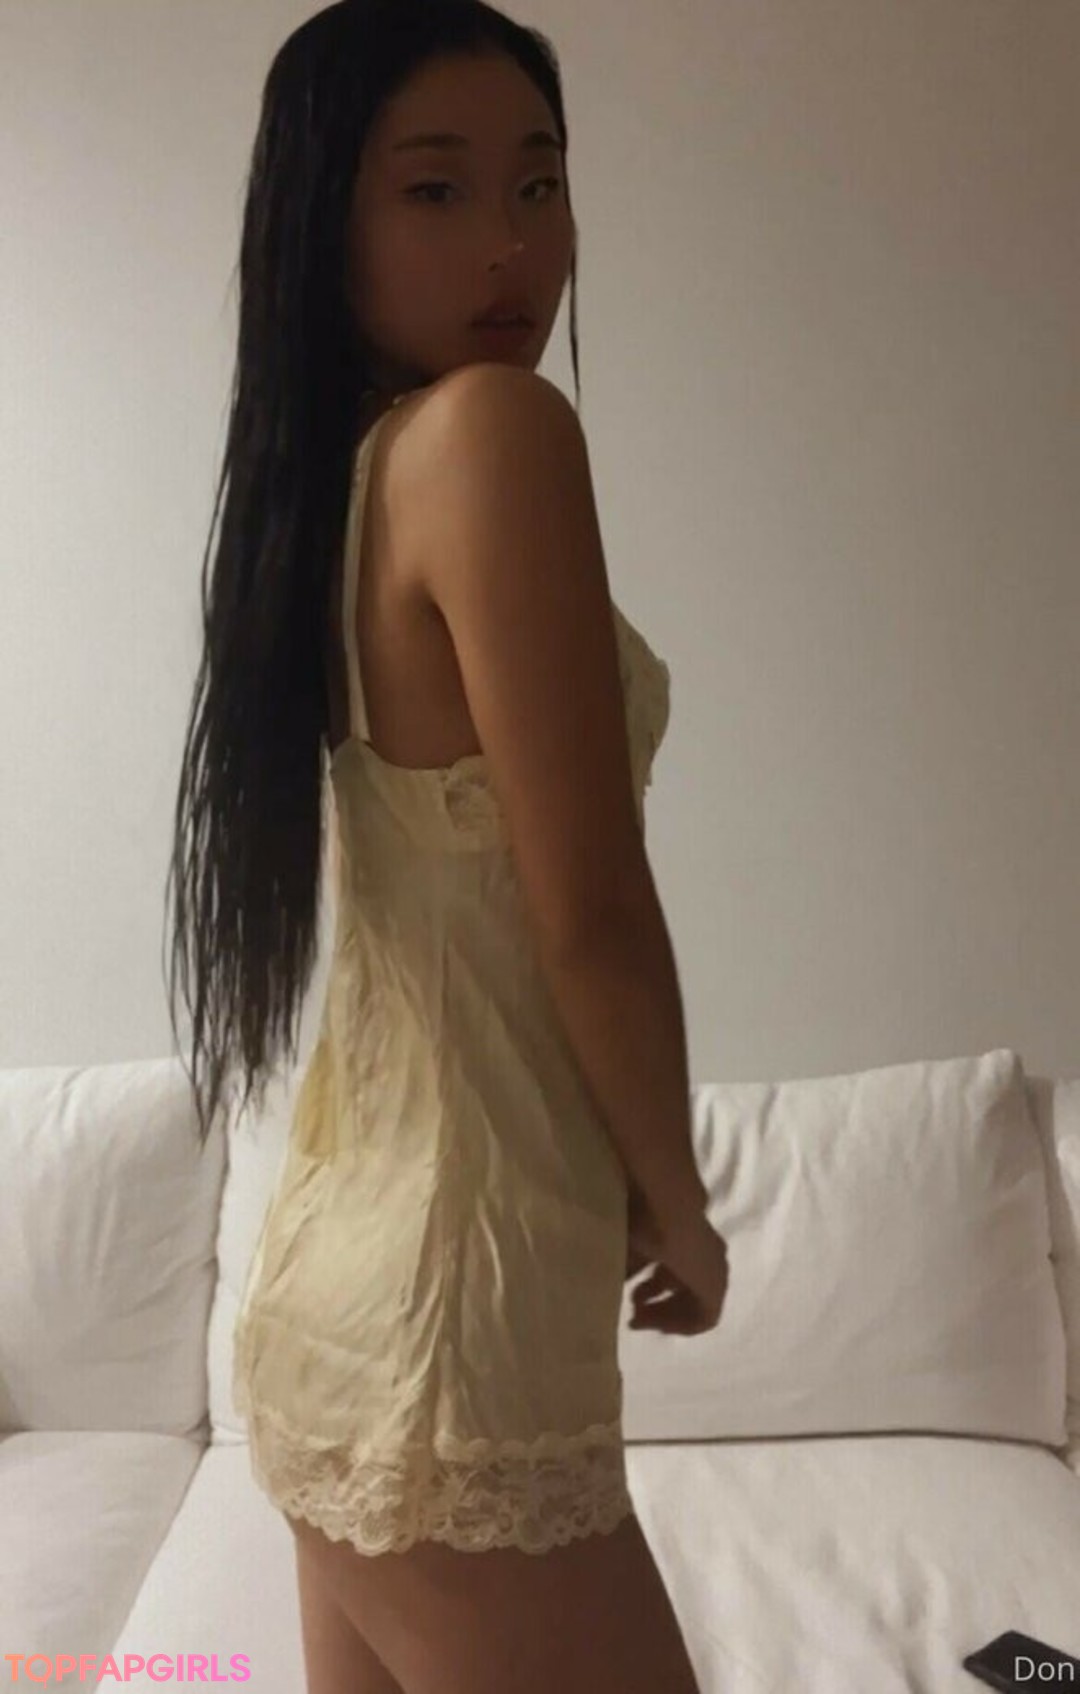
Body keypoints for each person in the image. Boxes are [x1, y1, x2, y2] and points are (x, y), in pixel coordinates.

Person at [165, 3, 728, 1690]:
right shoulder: (493, 434)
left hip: (341, 1308)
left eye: (540, 184)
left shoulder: (335, 487)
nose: (511, 244)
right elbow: (591, 910)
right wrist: (681, 1202)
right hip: (456, 1336)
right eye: (437, 189)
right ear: (322, 221)